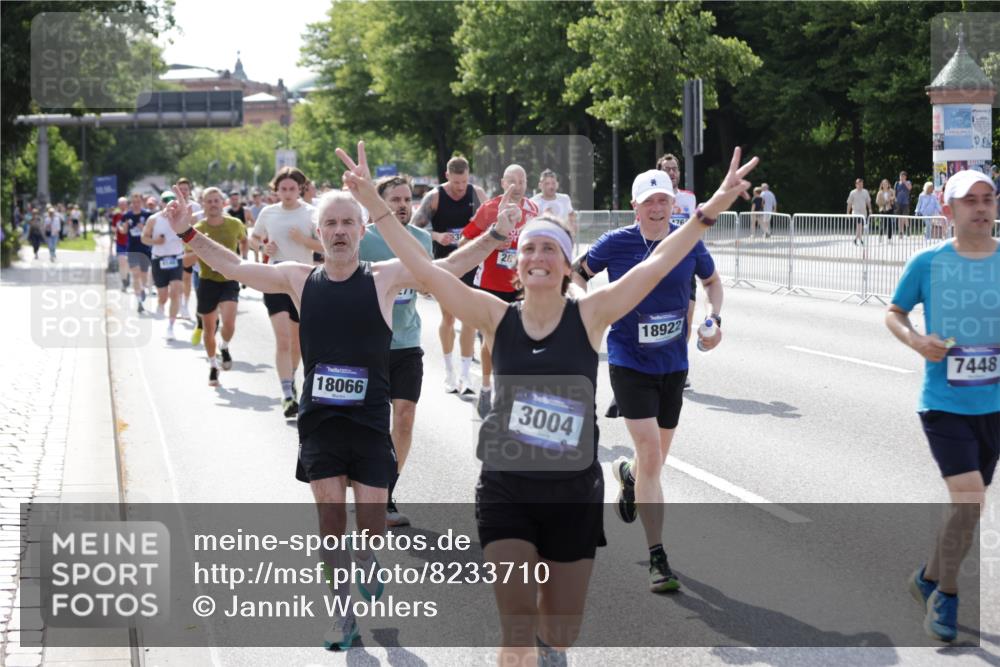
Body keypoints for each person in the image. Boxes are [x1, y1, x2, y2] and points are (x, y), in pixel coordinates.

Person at [338, 140, 758, 666]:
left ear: (565, 264)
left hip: (573, 492)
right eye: (530, 249)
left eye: (550, 249)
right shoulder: (495, 317)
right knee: (517, 629)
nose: (538, 256)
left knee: (560, 631)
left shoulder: (591, 315)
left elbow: (657, 264)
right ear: (517, 266)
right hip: (506, 489)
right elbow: (427, 271)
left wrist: (711, 207)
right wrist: (373, 205)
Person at [162, 158, 522, 651]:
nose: (338, 231)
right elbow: (236, 268)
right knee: (330, 522)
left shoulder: (384, 277)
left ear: (362, 229)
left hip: (370, 421)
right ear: (318, 231)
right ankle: (341, 615)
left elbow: (446, 269)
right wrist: (188, 234)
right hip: (321, 421)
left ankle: (368, 558)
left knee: (370, 526)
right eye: (330, 223)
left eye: (348, 222)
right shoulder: (297, 278)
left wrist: (496, 235)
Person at [575, 167, 726, 593]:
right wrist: (588, 306)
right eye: (650, 202)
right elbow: (578, 273)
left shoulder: (688, 241)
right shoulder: (616, 242)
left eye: (664, 201)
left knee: (653, 462)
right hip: (629, 361)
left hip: (673, 364)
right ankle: (657, 555)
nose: (658, 209)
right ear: (635, 208)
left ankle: (628, 474)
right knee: (651, 452)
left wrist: (714, 319)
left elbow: (712, 282)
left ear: (673, 204)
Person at [360, 173, 526, 528]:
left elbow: (435, 278)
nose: (403, 205)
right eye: (395, 200)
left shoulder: (420, 238)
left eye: (407, 199)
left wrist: (496, 234)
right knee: (369, 425)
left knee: (404, 419)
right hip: (367, 348)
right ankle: (365, 486)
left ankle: (386, 494)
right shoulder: (362, 238)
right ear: (380, 204)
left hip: (406, 343)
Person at [885, 169, 999, 644]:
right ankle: (946, 597)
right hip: (943, 403)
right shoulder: (928, 262)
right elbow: (894, 313)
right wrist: (916, 340)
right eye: (970, 200)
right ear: (948, 211)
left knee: (966, 509)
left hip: (993, 407)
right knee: (970, 498)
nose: (981, 207)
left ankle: (928, 576)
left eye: (988, 198)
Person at [462, 164, 539, 419]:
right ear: (503, 183)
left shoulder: (533, 209)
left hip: (520, 284)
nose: (518, 186)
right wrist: (493, 239)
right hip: (490, 284)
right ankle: (487, 388)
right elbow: (464, 241)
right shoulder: (489, 209)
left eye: (522, 180)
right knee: (491, 340)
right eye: (512, 181)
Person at [412, 155, 489, 396]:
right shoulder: (434, 197)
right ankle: (449, 372)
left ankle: (465, 376)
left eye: (464, 182)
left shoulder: (477, 194)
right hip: (445, 265)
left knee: (469, 319)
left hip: (472, 263)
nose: (460, 187)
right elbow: (413, 228)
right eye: (456, 182)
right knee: (448, 318)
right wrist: (437, 236)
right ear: (447, 176)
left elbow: (493, 225)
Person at [250, 167, 320, 417]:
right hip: (276, 278)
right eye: (283, 189)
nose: (288, 193)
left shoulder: (311, 213)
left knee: (297, 342)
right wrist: (262, 247)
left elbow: (324, 245)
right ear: (276, 190)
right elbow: (254, 238)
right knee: (282, 339)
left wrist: (303, 240)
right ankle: (287, 394)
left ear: (300, 189)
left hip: (302, 280)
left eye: (292, 188)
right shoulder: (269, 212)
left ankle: (291, 377)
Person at [183, 187, 248, 386]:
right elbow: (186, 261)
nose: (213, 204)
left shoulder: (235, 224)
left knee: (229, 324)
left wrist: (244, 259)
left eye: (216, 200)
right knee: (209, 328)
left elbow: (244, 240)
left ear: (223, 203)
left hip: (230, 279)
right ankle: (213, 365)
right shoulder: (197, 229)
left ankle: (225, 346)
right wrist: (202, 248)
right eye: (209, 201)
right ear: (203, 204)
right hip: (207, 281)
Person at [141, 190, 185, 339]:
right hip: (159, 259)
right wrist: (156, 242)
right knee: (163, 296)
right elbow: (144, 238)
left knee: (176, 292)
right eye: (165, 200)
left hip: (176, 258)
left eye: (171, 200)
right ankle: (160, 304)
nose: (168, 203)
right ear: (161, 203)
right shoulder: (153, 219)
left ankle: (171, 326)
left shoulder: (181, 219)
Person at [119, 193, 153, 310]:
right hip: (132, 249)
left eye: (138, 202)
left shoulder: (147, 215)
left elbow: (152, 232)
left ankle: (143, 289)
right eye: (134, 202)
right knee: (135, 274)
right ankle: (139, 301)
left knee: (144, 275)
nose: (136, 204)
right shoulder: (127, 215)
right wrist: (124, 227)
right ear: (131, 204)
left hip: (145, 249)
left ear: (141, 202)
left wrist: (143, 228)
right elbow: (123, 231)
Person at [530, 169, 577, 236]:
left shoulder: (565, 199)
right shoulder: (533, 202)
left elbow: (571, 215)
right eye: (547, 184)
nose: (551, 187)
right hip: (542, 238)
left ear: (557, 184)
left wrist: (572, 229)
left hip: (562, 237)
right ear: (540, 185)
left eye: (553, 183)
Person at [847, 178, 871, 246]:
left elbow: (868, 202)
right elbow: (849, 203)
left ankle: (856, 239)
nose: (860, 185)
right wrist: (848, 213)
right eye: (859, 184)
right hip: (856, 212)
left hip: (863, 212)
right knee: (859, 225)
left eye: (861, 184)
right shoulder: (852, 192)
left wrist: (870, 209)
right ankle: (859, 239)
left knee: (861, 226)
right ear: (856, 185)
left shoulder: (865, 192)